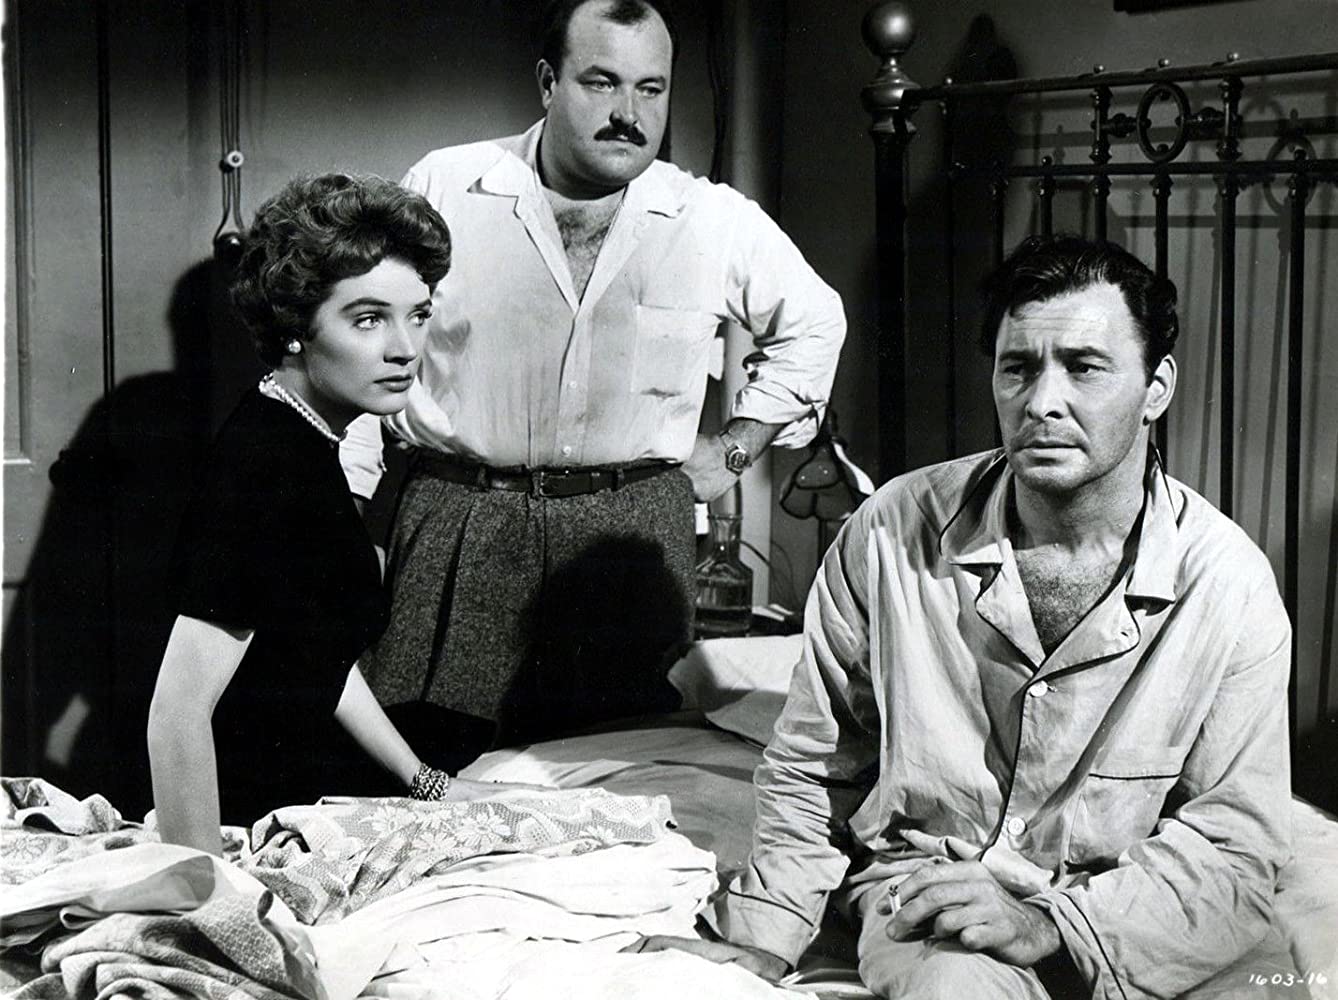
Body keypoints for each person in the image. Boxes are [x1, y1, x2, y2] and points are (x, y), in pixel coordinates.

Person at [634, 236, 1302, 999]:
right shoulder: (891, 531)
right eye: (1018, 368)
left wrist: (1054, 923)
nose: (1042, 402)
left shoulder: (1227, 585)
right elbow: (817, 763)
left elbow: (1232, 843)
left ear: (1157, 388)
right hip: (931, 895)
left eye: (1084, 367)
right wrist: (764, 933)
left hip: (1126, 909)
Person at [340, 0, 846, 751]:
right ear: (549, 82)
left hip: (627, 538)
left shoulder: (709, 218)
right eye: (602, 82)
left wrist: (736, 448)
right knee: (431, 767)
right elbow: (368, 341)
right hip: (462, 517)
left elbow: (817, 321)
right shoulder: (448, 186)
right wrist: (345, 507)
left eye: (650, 88)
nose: (628, 115)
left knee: (621, 767)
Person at [147, 174, 532, 855]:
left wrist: (427, 783)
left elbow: (316, 657)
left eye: (418, 314)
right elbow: (176, 714)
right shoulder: (263, 465)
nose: (405, 348)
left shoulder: (306, 437)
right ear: (296, 328)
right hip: (252, 814)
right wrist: (207, 889)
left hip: (304, 787)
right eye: (368, 319)